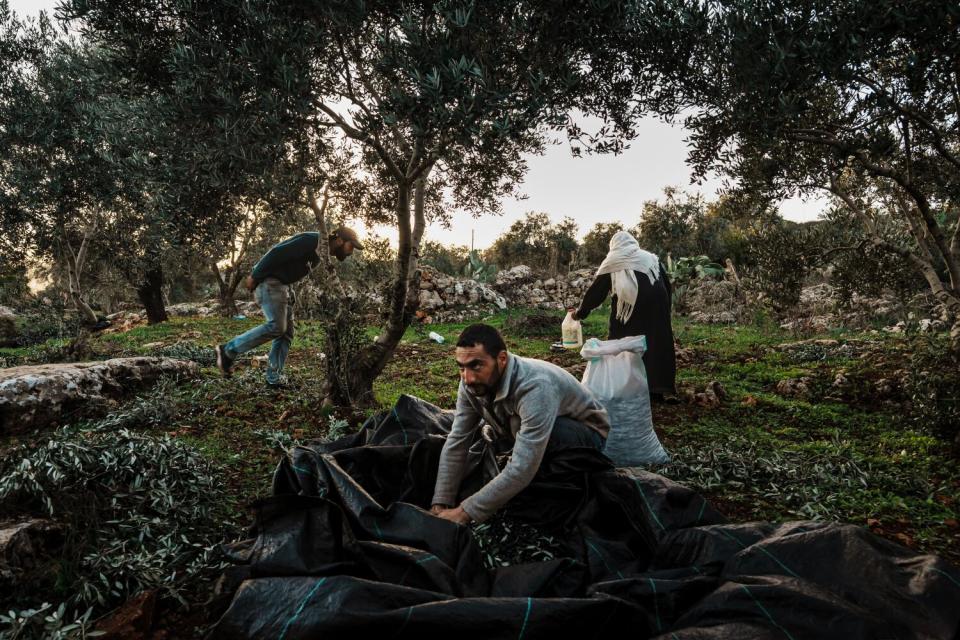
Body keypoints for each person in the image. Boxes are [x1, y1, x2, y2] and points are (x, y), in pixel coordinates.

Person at [431, 323, 610, 525]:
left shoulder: (535, 386)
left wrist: (464, 512)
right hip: (525, 432)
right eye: (461, 367)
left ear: (502, 359)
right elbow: (458, 440)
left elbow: (523, 466)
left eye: (476, 365)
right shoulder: (471, 384)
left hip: (586, 435)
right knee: (505, 433)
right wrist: (441, 501)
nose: (468, 378)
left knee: (520, 436)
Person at [215, 227, 363, 387]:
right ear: (340, 240)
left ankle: (273, 379)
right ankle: (228, 350)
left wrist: (289, 292)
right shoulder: (312, 240)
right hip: (269, 282)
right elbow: (276, 253)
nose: (351, 251)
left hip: (281, 285)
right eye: (351, 246)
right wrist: (255, 275)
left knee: (286, 334)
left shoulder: (321, 252)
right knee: (277, 327)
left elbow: (290, 268)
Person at [571, 230, 677, 400]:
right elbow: (665, 285)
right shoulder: (650, 258)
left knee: (621, 339)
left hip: (629, 308)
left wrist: (580, 313)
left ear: (614, 246)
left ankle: (625, 384)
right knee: (657, 339)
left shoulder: (613, 260)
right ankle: (659, 388)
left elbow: (596, 293)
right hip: (659, 304)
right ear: (633, 243)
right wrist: (664, 312)